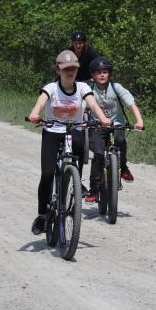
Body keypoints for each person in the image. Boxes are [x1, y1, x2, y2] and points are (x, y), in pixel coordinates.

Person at [27, 50, 112, 235]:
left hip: (74, 130)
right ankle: (42, 216)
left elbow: (93, 104)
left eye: (73, 68)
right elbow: (41, 102)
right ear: (58, 70)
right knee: (47, 174)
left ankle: (75, 184)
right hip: (52, 131)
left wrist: (103, 118)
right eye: (65, 68)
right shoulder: (51, 88)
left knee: (79, 150)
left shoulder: (82, 87)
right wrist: (35, 113)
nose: (70, 72)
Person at [86, 57, 145, 202]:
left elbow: (131, 104)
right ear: (93, 75)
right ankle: (94, 190)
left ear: (109, 73)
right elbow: (82, 106)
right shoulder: (89, 89)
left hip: (116, 124)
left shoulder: (116, 87)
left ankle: (123, 168)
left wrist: (139, 121)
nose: (102, 75)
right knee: (98, 154)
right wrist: (82, 122)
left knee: (120, 141)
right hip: (97, 126)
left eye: (105, 72)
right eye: (98, 72)